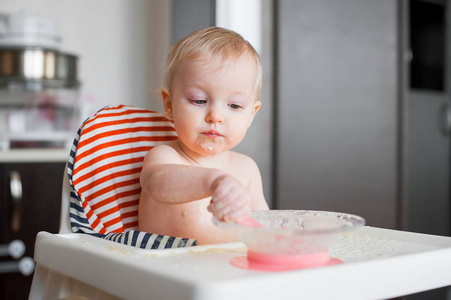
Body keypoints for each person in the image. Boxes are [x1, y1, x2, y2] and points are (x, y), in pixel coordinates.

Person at [138, 27, 269, 245]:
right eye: (199, 101)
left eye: (234, 105)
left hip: (229, 273)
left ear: (251, 114)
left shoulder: (247, 169)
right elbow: (159, 186)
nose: (215, 116)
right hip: (166, 273)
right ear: (169, 105)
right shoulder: (165, 156)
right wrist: (214, 181)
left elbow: (263, 230)